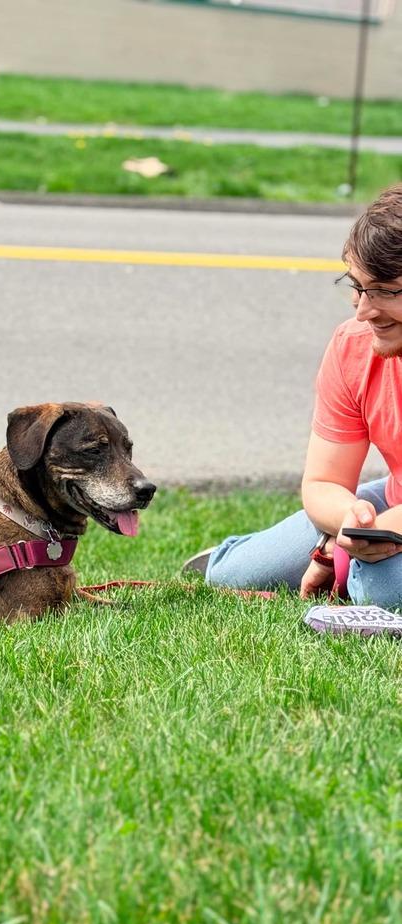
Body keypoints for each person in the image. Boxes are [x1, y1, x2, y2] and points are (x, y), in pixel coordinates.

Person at [182, 183, 402, 608]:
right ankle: (252, 555)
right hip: (388, 509)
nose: (362, 310)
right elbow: (324, 483)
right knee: (234, 576)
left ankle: (355, 572)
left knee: (384, 590)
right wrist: (350, 524)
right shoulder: (353, 346)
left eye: (385, 292)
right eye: (357, 286)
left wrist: (353, 545)